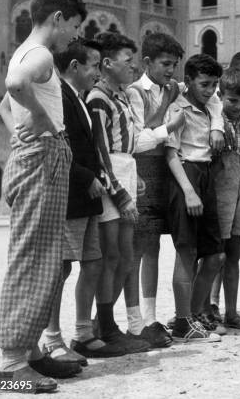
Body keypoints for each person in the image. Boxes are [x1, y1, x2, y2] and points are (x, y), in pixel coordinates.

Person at [0, 0, 86, 393]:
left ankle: (30, 352)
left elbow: (3, 103)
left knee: (44, 257)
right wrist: (45, 126)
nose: (75, 36)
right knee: (34, 259)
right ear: (58, 18)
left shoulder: (25, 50)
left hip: (36, 158)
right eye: (74, 27)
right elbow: (15, 86)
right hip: (42, 161)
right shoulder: (42, 53)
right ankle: (12, 366)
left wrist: (19, 132)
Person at [44, 39, 126, 362]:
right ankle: (52, 339)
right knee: (61, 267)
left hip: (90, 196)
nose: (97, 71)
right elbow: (57, 147)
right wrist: (86, 177)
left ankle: (83, 332)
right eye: (93, 65)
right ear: (75, 67)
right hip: (71, 195)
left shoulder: (78, 98)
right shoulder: (59, 97)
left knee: (92, 262)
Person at [86, 32, 151, 354]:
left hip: (125, 173)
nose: (133, 66)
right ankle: (105, 325)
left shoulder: (122, 95)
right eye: (128, 61)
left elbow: (126, 143)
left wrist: (134, 178)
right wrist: (120, 194)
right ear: (107, 63)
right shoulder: (97, 99)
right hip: (110, 181)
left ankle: (105, 323)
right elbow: (99, 153)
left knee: (125, 255)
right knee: (110, 255)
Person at [122, 32, 186, 348]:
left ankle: (150, 316)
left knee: (154, 248)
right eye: (165, 64)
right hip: (141, 171)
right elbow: (140, 135)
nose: (171, 70)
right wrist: (168, 117)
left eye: (174, 65)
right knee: (138, 247)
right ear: (147, 62)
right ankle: (137, 321)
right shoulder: (135, 92)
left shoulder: (172, 88)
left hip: (163, 172)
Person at [165, 53, 224, 342]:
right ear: (187, 81)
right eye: (204, 84)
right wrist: (188, 191)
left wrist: (216, 125)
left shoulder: (212, 103)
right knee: (187, 252)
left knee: (214, 255)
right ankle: (182, 321)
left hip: (207, 175)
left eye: (214, 84)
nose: (210, 89)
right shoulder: (177, 108)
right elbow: (170, 154)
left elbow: (217, 102)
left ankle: (190, 314)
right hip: (186, 176)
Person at [202, 67, 240, 330]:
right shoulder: (214, 119)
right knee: (215, 254)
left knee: (234, 254)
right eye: (231, 100)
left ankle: (232, 312)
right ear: (220, 95)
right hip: (220, 191)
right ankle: (204, 310)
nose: (237, 105)